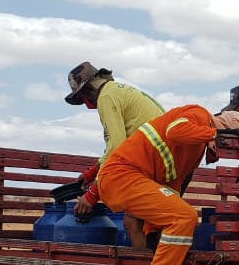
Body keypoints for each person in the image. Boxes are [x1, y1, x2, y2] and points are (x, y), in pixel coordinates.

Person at [80, 105, 239, 265]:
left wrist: (154, 231)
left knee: (178, 215)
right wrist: (215, 134)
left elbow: (169, 188)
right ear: (228, 129)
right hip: (122, 176)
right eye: (229, 144)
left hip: (132, 179)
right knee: (185, 217)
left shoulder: (193, 153)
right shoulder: (199, 114)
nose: (222, 152)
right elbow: (175, 131)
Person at [64, 61, 164, 248]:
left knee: (132, 223)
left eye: (83, 98)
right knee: (150, 225)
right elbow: (117, 145)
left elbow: (117, 147)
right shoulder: (117, 91)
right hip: (165, 158)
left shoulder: (106, 97)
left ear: (88, 90)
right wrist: (93, 171)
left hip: (156, 160)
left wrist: (94, 192)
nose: (87, 104)